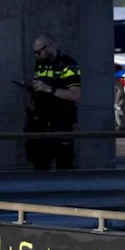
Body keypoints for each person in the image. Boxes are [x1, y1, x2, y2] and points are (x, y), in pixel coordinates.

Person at [24, 32, 81, 171]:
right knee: (40, 165)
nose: (36, 55)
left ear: (49, 47)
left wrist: (49, 89)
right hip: (41, 123)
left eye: (38, 52)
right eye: (35, 53)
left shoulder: (68, 65)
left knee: (64, 165)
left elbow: (75, 94)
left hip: (61, 122)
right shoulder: (40, 64)